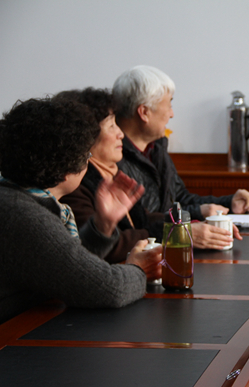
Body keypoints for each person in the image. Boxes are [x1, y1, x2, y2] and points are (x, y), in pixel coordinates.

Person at [0, 97, 162, 325]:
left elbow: (67, 269)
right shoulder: (23, 215)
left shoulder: (16, 199)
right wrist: (139, 269)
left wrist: (103, 225)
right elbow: (108, 289)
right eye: (86, 155)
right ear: (67, 169)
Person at [112, 65, 249, 248]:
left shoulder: (156, 148)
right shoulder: (112, 158)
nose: (172, 113)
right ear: (144, 112)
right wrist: (191, 221)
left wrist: (228, 202)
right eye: (169, 103)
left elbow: (180, 199)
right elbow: (145, 221)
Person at [59, 88, 164, 263]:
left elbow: (142, 219)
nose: (121, 134)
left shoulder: (110, 172)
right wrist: (166, 233)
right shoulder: (74, 184)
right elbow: (108, 246)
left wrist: (183, 224)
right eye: (111, 126)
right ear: (85, 137)